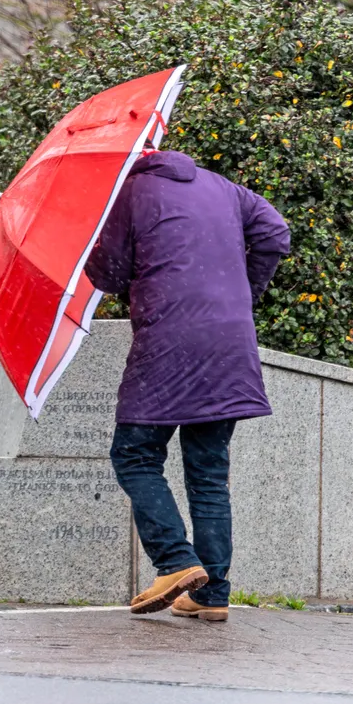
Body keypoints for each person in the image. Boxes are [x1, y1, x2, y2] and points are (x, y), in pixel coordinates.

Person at [85, 147, 290, 622]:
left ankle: (176, 561)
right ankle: (211, 595)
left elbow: (110, 275)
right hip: (229, 344)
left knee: (134, 455)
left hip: (168, 342)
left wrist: (95, 238)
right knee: (209, 477)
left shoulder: (130, 193)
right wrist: (244, 293)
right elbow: (275, 232)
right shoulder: (224, 188)